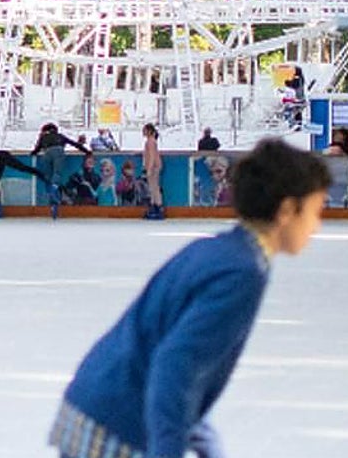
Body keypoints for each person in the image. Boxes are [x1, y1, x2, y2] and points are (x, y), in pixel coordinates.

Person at [49, 138, 331, 458]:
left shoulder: (218, 251)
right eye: (315, 210)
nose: (317, 225)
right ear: (286, 211)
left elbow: (175, 354)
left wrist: (201, 439)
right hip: (119, 425)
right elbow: (176, 367)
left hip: (96, 406)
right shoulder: (241, 272)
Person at [31, 122, 91, 220]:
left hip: (47, 153)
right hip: (59, 151)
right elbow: (75, 144)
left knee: (48, 175)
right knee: (57, 173)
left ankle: (51, 193)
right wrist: (87, 151)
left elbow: (36, 150)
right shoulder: (60, 136)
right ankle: (54, 188)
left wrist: (33, 152)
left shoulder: (43, 138)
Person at [142, 123, 164, 220]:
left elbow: (152, 156)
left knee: (154, 188)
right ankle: (155, 206)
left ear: (149, 131)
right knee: (154, 187)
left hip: (153, 167)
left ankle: (157, 207)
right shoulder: (151, 141)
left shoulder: (150, 142)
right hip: (154, 166)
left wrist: (149, 169)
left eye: (145, 130)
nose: (143, 132)